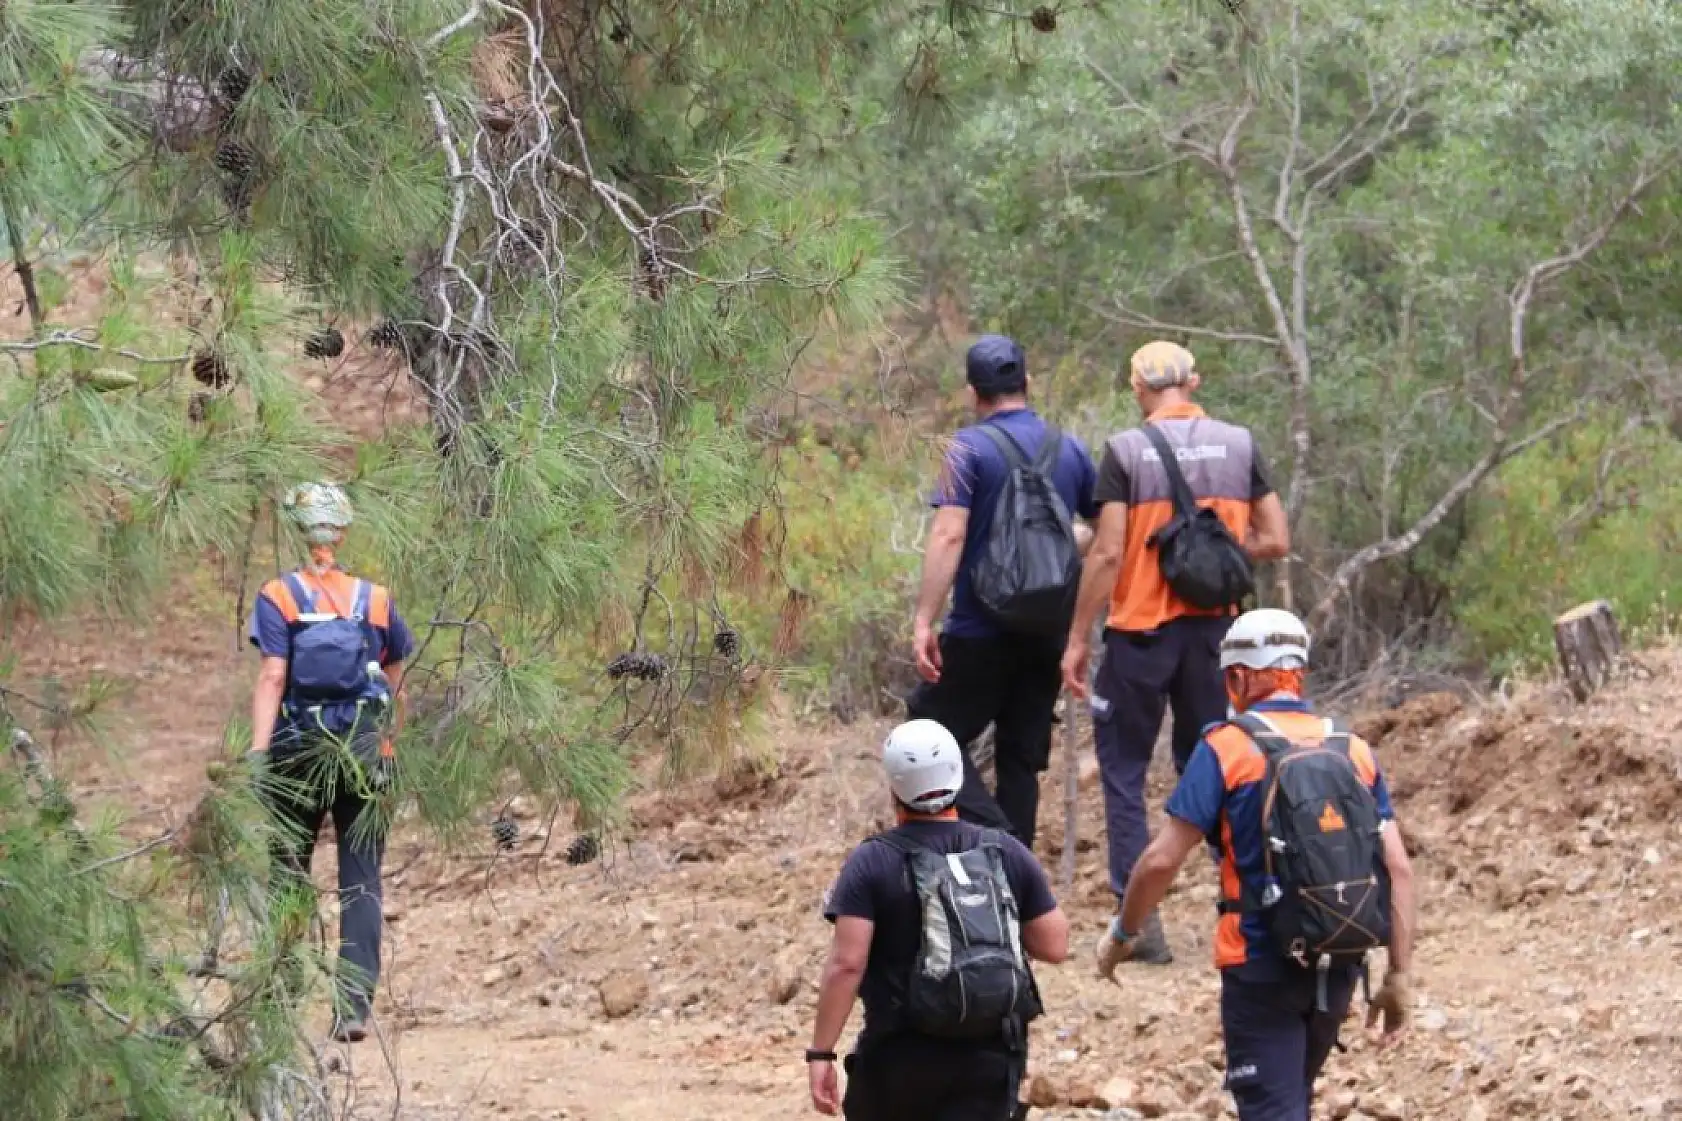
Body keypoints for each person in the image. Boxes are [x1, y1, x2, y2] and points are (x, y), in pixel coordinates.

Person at [1103, 609, 1416, 1121]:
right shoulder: (1354, 750)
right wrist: (1399, 975)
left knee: (1274, 1109)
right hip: (1339, 960)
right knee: (1290, 1099)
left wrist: (1123, 933)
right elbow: (1398, 869)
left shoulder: (1228, 749)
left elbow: (1161, 860)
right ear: (1299, 674)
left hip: (1260, 962)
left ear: (1240, 676)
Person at [1063, 339, 1289, 965]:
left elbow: (1107, 554)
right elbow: (1277, 538)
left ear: (1139, 389)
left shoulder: (1127, 452)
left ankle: (1141, 926)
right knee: (1224, 766)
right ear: (1195, 381)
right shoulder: (1240, 444)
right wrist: (1217, 549)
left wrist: (1078, 638)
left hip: (1140, 636)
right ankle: (1257, 901)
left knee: (1125, 772)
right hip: (1218, 636)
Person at [809, 719, 1070, 1120]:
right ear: (958, 775)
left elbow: (847, 965)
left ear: (894, 785)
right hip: (991, 1057)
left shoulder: (871, 862)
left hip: (899, 1060)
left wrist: (821, 1052)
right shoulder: (1004, 850)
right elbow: (1054, 945)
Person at [910, 333, 1098, 847]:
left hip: (979, 628)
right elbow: (1108, 534)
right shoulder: (1071, 449)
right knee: (1021, 759)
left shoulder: (965, 448)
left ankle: (995, 836)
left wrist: (924, 618)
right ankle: (1019, 876)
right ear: (1027, 384)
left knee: (926, 731)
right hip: (1046, 633)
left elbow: (949, 534)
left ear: (973, 393)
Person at [246, 482, 416, 1042]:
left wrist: (259, 752)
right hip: (364, 751)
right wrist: (386, 744)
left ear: (302, 531)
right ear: (341, 531)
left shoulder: (280, 595)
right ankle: (352, 1010)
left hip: (297, 748)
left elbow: (274, 674)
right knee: (361, 879)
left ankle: (279, 994)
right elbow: (396, 678)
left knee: (287, 873)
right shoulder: (377, 598)